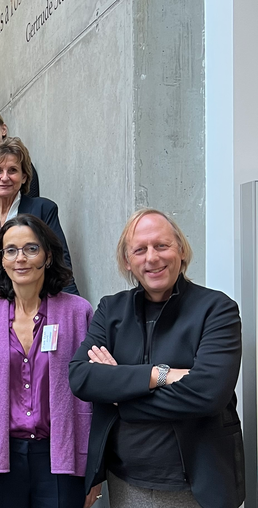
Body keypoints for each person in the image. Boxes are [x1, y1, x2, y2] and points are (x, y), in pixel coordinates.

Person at [69, 209, 245, 508]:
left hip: (198, 487)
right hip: (125, 482)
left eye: (161, 246)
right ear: (128, 261)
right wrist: (158, 375)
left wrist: (120, 394)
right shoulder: (111, 310)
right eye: (140, 249)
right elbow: (81, 377)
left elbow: (208, 394)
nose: (151, 258)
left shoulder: (217, 310)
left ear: (181, 251)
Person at [0, 214, 99, 508]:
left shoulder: (78, 312)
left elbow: (93, 395)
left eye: (31, 248)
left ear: (48, 255)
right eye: (11, 250)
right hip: (1, 456)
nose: (21, 259)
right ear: (1, 260)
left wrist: (93, 468)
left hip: (61, 456)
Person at [0, 137, 77, 293]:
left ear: (24, 176)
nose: (4, 178)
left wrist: (75, 312)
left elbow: (62, 266)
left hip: (36, 305)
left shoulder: (43, 210)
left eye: (12, 170)